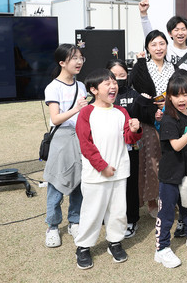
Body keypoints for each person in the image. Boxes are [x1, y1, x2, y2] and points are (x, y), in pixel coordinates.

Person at [74, 69, 143, 269]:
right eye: (107, 83)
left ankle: (115, 241)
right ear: (94, 90)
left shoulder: (121, 111)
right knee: (92, 211)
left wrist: (135, 129)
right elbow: (85, 144)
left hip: (120, 171)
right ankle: (84, 246)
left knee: (118, 211)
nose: (113, 86)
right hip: (96, 173)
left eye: (114, 82)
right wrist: (102, 167)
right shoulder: (87, 112)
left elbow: (129, 140)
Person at [154, 75, 187, 268]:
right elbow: (176, 145)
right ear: (169, 97)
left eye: (185, 94)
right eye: (176, 95)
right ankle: (162, 249)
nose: (182, 99)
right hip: (170, 174)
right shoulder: (168, 119)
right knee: (167, 212)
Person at [43, 44, 88, 248]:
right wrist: (77, 109)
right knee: (56, 181)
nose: (79, 62)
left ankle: (75, 220)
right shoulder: (53, 87)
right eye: (74, 58)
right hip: (61, 137)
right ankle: (52, 226)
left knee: (79, 179)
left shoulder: (81, 86)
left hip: (80, 135)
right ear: (62, 63)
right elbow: (55, 117)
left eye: (80, 58)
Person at [130, 29, 175, 217]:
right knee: (151, 161)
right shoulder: (142, 66)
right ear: (147, 48)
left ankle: (168, 198)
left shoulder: (173, 67)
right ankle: (152, 201)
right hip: (148, 120)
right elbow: (137, 89)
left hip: (170, 119)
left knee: (169, 160)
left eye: (161, 43)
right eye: (153, 44)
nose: (158, 48)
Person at [106, 59, 144, 239]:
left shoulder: (134, 95)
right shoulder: (102, 97)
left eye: (122, 76)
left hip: (131, 148)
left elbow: (142, 119)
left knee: (130, 184)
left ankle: (131, 219)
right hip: (107, 149)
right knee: (109, 184)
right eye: (114, 77)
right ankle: (111, 217)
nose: (118, 81)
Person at [139, 0, 187, 80]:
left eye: (183, 29)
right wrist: (143, 15)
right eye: (176, 30)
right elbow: (150, 37)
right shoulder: (166, 50)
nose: (180, 33)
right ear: (170, 33)